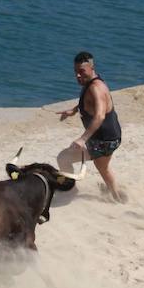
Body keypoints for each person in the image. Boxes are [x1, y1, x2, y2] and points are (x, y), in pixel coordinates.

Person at [57, 51, 125, 203]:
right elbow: (88, 103)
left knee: (64, 158)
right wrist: (73, 110)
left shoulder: (96, 88)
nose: (78, 76)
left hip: (104, 140)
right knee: (102, 167)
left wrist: (82, 139)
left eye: (82, 72)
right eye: (76, 71)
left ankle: (115, 197)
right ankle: (115, 195)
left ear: (92, 68)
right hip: (108, 136)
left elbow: (100, 115)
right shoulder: (91, 82)